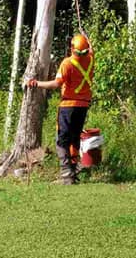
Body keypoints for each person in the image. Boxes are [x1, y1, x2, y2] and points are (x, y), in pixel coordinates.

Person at [27, 32, 94, 185]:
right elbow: (91, 49)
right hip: (83, 105)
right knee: (75, 137)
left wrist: (36, 83)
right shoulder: (90, 60)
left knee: (62, 140)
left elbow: (56, 84)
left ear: (72, 48)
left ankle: (66, 174)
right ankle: (74, 172)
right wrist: (85, 37)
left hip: (68, 106)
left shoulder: (68, 63)